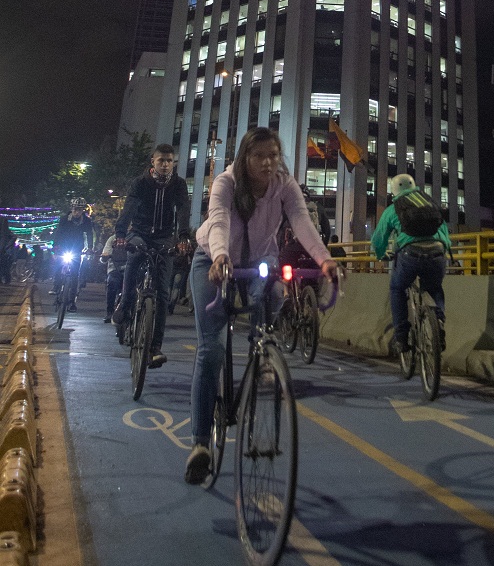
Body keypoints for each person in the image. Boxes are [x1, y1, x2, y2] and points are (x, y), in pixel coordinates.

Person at [185, 127, 342, 484]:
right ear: (245, 158)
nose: (268, 162)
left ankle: (262, 354)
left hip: (258, 261)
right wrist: (221, 256)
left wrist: (323, 260)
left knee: (271, 293)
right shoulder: (226, 182)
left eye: (273, 155)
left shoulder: (285, 185)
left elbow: (302, 221)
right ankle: (199, 445)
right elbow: (219, 220)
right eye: (259, 156)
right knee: (210, 351)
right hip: (213, 259)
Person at [112, 144, 191, 368]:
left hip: (165, 237)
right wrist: (120, 234)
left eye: (169, 161)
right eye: (161, 161)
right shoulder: (140, 182)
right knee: (134, 259)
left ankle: (155, 347)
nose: (165, 164)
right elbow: (129, 207)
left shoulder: (179, 184)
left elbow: (183, 209)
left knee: (163, 294)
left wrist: (183, 237)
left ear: (173, 163)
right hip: (139, 233)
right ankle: (125, 304)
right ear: (153, 162)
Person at [370, 174, 451, 354]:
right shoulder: (430, 203)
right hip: (437, 253)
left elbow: (378, 238)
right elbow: (445, 232)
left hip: (410, 255)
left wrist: (380, 255)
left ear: (394, 191)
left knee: (397, 288)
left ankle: (401, 336)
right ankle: (438, 320)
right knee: (435, 288)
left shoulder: (393, 209)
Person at [52, 198, 96, 309]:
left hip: (77, 248)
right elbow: (58, 233)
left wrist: (90, 247)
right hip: (63, 246)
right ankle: (55, 287)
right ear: (71, 208)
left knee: (75, 274)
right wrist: (55, 247)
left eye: (79, 210)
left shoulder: (86, 221)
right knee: (58, 265)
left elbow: (89, 234)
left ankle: (72, 302)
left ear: (82, 210)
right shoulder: (64, 219)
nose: (77, 212)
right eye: (75, 209)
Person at [99, 233, 128, 323]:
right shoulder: (112, 239)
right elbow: (104, 255)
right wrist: (105, 257)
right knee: (112, 282)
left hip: (130, 269)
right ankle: (110, 312)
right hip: (114, 268)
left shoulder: (134, 239)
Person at [0, 216, 14, 285]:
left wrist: (6, 248)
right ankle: (6, 280)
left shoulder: (6, 234)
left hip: (5, 253)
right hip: (5, 252)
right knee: (4, 267)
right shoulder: (6, 233)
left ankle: (6, 280)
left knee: (4, 267)